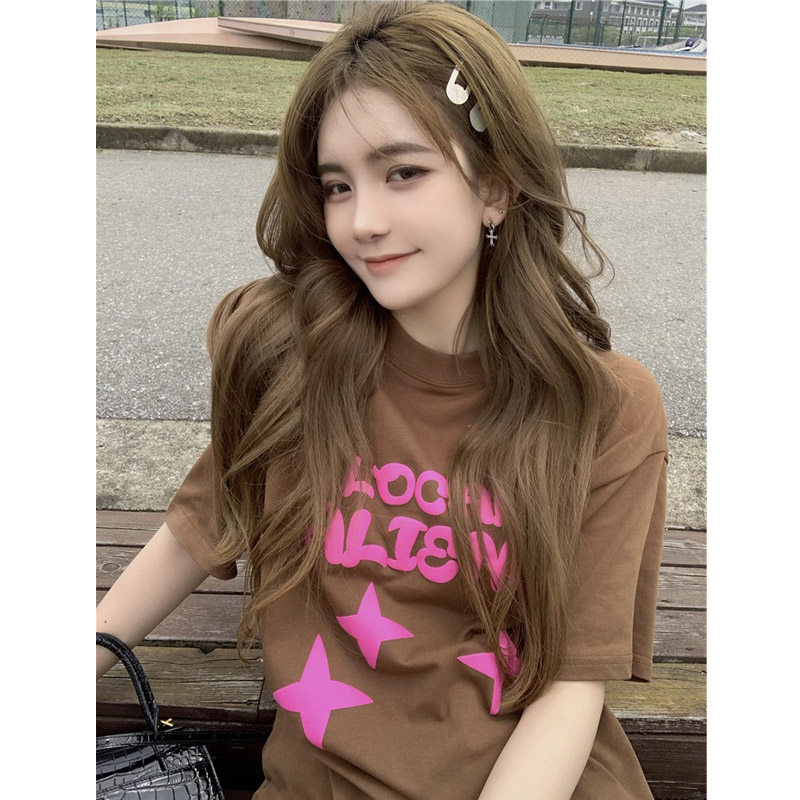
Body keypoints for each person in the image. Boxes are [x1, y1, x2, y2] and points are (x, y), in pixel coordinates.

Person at [96, 2, 668, 798]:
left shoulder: (603, 406)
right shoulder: (294, 362)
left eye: (403, 172)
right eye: (337, 186)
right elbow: (195, 536)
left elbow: (573, 684)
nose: (363, 221)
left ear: (494, 187)